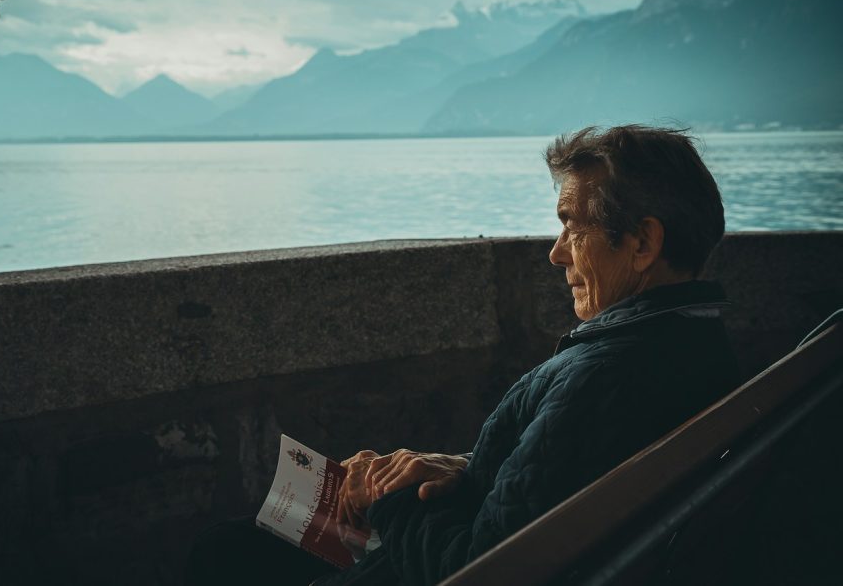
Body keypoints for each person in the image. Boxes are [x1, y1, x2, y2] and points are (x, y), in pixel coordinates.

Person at [185, 125, 739, 586]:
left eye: (573, 226)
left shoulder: (609, 376)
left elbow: (481, 569)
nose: (555, 253)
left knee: (224, 553)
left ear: (642, 243)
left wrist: (382, 496)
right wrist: (464, 470)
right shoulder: (692, 344)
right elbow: (550, 484)